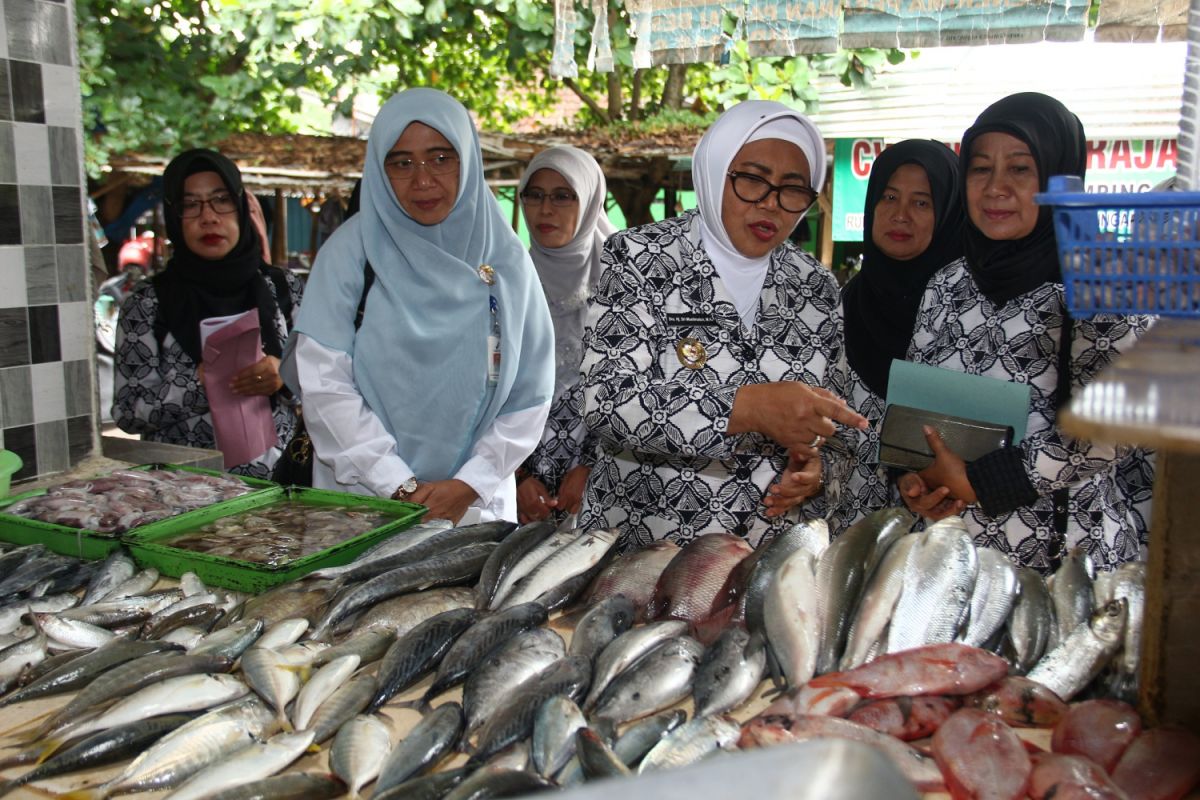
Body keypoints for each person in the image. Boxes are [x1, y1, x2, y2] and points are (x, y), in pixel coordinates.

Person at [578, 100, 868, 550]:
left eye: (793, 189)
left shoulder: (816, 286)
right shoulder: (640, 258)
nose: (771, 205)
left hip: (767, 554)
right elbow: (607, 399)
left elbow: (840, 419)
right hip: (648, 546)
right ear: (715, 171)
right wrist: (747, 408)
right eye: (752, 180)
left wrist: (818, 470)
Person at [899, 92, 1154, 572]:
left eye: (1019, 169)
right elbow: (920, 411)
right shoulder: (947, 284)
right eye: (980, 169)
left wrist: (984, 482)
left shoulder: (1104, 283)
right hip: (955, 562)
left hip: (1067, 564)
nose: (996, 188)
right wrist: (919, 479)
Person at [289, 88, 555, 524]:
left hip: (472, 506)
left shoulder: (506, 261)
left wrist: (467, 485)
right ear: (379, 168)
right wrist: (398, 484)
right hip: (362, 498)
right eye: (402, 162)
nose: (423, 180)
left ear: (467, 159)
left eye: (441, 158)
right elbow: (325, 386)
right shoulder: (350, 254)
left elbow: (531, 393)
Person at [112, 149, 304, 477]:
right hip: (182, 494)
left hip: (279, 491)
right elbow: (128, 411)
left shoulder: (283, 288)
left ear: (241, 206)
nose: (209, 217)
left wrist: (284, 377)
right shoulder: (147, 302)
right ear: (174, 215)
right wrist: (199, 382)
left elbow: (327, 380)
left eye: (221, 199)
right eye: (190, 205)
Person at [830, 140, 964, 535]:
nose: (900, 215)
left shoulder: (968, 311)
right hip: (852, 535)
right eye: (888, 196)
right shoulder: (840, 304)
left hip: (943, 536)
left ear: (949, 213)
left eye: (922, 203)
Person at [514, 146, 617, 525]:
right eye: (534, 195)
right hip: (517, 480)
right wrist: (517, 476)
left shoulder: (622, 286)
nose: (545, 210)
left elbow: (640, 384)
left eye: (563, 196)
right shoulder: (505, 282)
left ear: (589, 200)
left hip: (608, 474)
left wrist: (593, 465)